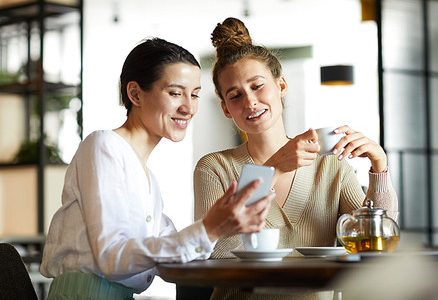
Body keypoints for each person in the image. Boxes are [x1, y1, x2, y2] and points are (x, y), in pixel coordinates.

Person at [40, 37, 274, 299]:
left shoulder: (147, 177)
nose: (188, 107)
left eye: (194, 94)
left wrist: (226, 225)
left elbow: (173, 254)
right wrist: (210, 229)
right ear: (135, 94)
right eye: (175, 93)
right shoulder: (103, 145)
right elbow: (111, 258)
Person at [193, 18, 399, 300]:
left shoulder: (330, 164)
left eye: (257, 86)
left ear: (282, 86)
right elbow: (219, 252)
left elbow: (377, 242)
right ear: (227, 109)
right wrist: (273, 169)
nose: (250, 102)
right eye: (235, 95)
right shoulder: (214, 167)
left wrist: (380, 166)